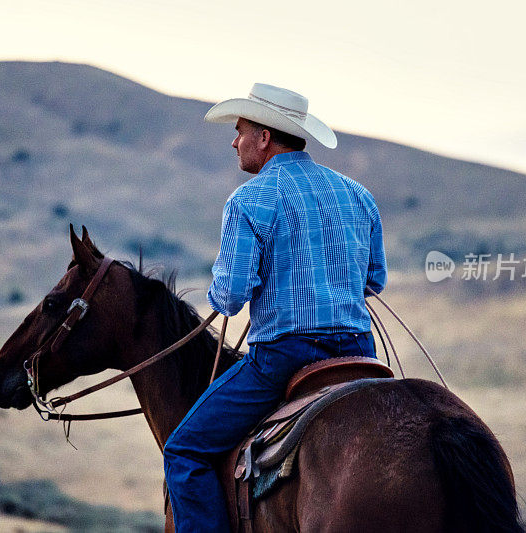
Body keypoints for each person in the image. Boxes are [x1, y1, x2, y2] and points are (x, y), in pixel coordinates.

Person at [163, 83, 387, 532]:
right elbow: (374, 280)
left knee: (184, 451)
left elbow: (229, 297)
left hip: (285, 358)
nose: (234, 141)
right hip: (360, 353)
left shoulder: (250, 200)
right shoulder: (357, 194)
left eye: (240, 129)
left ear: (264, 137)